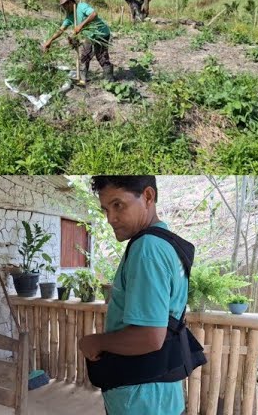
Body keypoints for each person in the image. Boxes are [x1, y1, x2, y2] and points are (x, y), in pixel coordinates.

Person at [79, 177, 200, 415]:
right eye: (105, 209)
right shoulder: (166, 244)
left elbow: (150, 336)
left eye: (118, 205)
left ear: (148, 197)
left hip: (141, 397)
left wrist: (96, 342)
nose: (110, 218)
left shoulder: (148, 249)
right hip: (160, 390)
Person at [43, 0, 114, 82]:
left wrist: (81, 25)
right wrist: (50, 41)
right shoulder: (69, 16)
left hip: (101, 33)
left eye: (64, 6)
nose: (64, 9)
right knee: (85, 55)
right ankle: (83, 79)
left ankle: (109, 79)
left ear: (70, 3)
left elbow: (94, 14)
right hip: (89, 36)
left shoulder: (81, 6)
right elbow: (61, 30)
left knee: (101, 56)